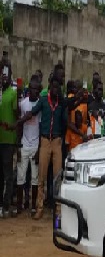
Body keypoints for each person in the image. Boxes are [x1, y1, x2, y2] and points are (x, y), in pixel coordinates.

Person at [19, 78, 67, 220]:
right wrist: (20, 121)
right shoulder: (44, 101)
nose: (55, 90)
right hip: (45, 141)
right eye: (53, 88)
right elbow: (32, 113)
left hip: (57, 142)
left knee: (58, 177)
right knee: (41, 177)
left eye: (57, 88)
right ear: (49, 88)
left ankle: (58, 210)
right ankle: (39, 208)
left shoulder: (61, 103)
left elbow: (66, 120)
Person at [16, 78, 41, 216]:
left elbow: (42, 126)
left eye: (37, 89)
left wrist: (39, 150)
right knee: (21, 176)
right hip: (24, 144)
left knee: (35, 178)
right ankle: (19, 206)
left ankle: (33, 206)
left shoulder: (40, 104)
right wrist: (18, 147)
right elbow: (19, 127)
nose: (35, 91)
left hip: (36, 145)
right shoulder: (23, 104)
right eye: (33, 88)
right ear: (29, 89)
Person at [0, 61, 18, 218]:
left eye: (7, 74)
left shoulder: (13, 93)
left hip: (8, 140)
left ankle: (6, 205)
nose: (4, 77)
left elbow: (17, 115)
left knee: (8, 175)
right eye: (2, 74)